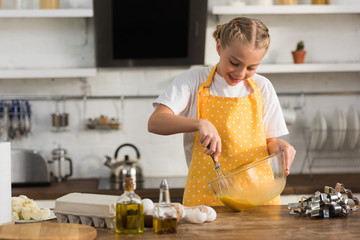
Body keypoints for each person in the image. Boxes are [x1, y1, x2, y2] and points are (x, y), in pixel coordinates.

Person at [148, 17, 296, 207]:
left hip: (260, 199)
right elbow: (155, 122)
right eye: (234, 63)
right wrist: (199, 123)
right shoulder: (193, 80)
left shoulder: (262, 87)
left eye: (251, 67)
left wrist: (278, 146)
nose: (241, 73)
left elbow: (269, 141)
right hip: (207, 201)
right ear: (219, 47)